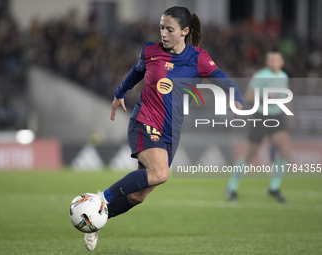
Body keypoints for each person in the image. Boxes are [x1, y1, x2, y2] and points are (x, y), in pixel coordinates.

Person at [83, 6, 243, 251]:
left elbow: (225, 82)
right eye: (161, 28)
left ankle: (95, 222)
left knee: (138, 196)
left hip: (170, 132)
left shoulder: (198, 58)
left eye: (170, 29)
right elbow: (135, 73)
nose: (164, 34)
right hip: (144, 122)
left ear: (184, 32)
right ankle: (100, 198)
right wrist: (119, 94)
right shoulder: (150, 51)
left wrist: (236, 98)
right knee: (161, 174)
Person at [226, 48, 294, 203]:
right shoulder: (261, 76)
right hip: (261, 116)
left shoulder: (283, 77)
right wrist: (268, 98)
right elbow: (249, 97)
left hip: (277, 117)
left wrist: (290, 115)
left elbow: (286, 97)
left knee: (285, 152)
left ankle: (274, 187)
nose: (274, 62)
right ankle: (232, 186)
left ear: (282, 62)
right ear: (267, 61)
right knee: (250, 155)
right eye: (271, 60)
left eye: (276, 60)